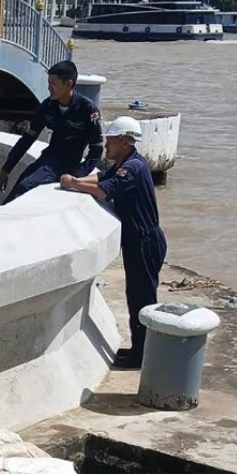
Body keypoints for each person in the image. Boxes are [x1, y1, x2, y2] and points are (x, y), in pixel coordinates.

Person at [60, 116, 166, 369]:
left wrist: (73, 183)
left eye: (110, 141)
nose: (106, 145)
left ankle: (141, 355)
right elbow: (101, 179)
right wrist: (74, 180)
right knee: (135, 295)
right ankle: (140, 349)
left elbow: (104, 190)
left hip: (144, 241)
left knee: (142, 299)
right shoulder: (126, 163)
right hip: (139, 239)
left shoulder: (132, 168)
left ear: (123, 141)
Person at [0, 61, 104, 205]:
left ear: (68, 84)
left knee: (25, 187)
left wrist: (78, 176)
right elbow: (28, 138)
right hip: (48, 159)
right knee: (15, 192)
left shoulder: (88, 110)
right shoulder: (47, 106)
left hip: (68, 163)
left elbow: (97, 149)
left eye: (54, 84)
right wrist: (6, 169)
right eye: (49, 83)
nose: (49, 88)